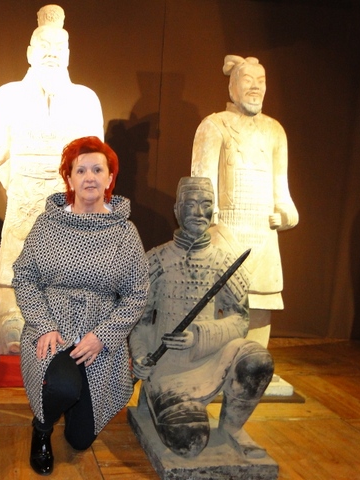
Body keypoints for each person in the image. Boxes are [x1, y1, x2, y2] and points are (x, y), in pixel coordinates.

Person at [12, 136, 149, 475]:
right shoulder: (48, 225)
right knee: (62, 386)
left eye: (97, 170)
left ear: (109, 178)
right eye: (81, 170)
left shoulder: (125, 232)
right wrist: (43, 325)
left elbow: (137, 294)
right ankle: (42, 427)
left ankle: (71, 399)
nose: (90, 177)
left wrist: (103, 336)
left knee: (80, 439)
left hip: (98, 334)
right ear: (69, 179)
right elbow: (24, 276)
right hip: (54, 328)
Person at [0, 4, 104, 355]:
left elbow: (95, 156)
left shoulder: (86, 99)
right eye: (44, 47)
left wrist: (72, 189)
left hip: (67, 199)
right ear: (30, 52)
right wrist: (20, 183)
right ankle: (11, 319)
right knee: (18, 256)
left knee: (69, 261)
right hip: (24, 193)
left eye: (59, 48)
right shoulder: (7, 95)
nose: (51, 54)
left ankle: (67, 325)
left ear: (68, 54)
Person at [129, 177, 274, 460]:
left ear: (213, 211)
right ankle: (161, 404)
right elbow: (140, 322)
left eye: (206, 204)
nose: (198, 212)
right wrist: (141, 357)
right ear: (177, 209)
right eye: (191, 204)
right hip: (169, 370)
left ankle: (232, 427)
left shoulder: (224, 262)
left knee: (257, 359)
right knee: (190, 441)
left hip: (214, 358)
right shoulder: (156, 260)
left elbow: (240, 320)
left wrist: (199, 336)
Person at [191, 55, 298, 348]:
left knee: (260, 305)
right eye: (248, 80)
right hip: (226, 234)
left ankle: (253, 363)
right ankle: (217, 362)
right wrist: (208, 222)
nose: (255, 87)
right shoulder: (214, 125)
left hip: (263, 236)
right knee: (221, 304)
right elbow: (201, 185)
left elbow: (282, 192)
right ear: (232, 87)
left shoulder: (275, 131)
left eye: (261, 81)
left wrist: (286, 214)